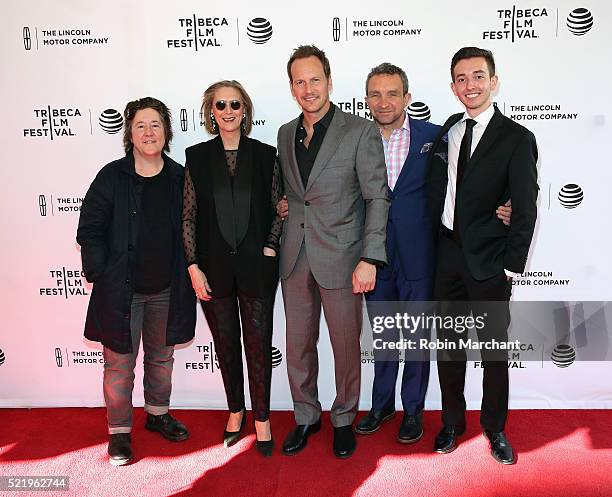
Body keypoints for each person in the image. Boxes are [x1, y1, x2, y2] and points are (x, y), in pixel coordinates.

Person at [355, 63, 513, 444]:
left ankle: (413, 411)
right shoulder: (356, 140)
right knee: (385, 337)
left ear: (407, 98)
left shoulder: (438, 135)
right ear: (366, 101)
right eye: (375, 94)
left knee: (417, 339)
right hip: (374, 255)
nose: (384, 101)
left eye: (393, 93)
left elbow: (472, 173)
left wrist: (504, 203)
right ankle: (381, 404)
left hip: (423, 256)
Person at [277, 45, 389, 459]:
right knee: (298, 345)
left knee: (345, 346)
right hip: (295, 257)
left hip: (344, 257)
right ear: (292, 88)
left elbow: (377, 197)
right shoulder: (285, 133)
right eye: (299, 82)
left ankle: (343, 418)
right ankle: (306, 416)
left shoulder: (359, 131)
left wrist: (370, 257)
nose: (308, 89)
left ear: (329, 81)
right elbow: (293, 194)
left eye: (315, 80)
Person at [427, 47, 538, 464]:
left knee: (493, 352)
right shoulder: (449, 130)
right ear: (453, 86)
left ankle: (496, 429)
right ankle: (452, 423)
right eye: (461, 78)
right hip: (447, 256)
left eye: (478, 76)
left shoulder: (517, 137)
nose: (469, 85)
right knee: (449, 348)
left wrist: (512, 265)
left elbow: (525, 207)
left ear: (494, 81)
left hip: (491, 262)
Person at [77, 97, 196, 467]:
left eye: (156, 125)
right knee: (119, 366)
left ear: (167, 132)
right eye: (141, 125)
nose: (149, 132)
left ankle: (158, 414)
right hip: (121, 291)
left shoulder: (180, 177)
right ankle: (119, 432)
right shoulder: (112, 176)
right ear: (130, 132)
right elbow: (90, 227)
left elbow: (194, 228)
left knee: (161, 359)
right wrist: (101, 271)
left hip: (166, 288)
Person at [182, 80, 280, 457]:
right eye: (219, 104)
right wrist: (193, 265)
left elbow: (278, 207)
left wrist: (270, 247)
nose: (227, 110)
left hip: (258, 267)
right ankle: (236, 411)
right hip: (213, 268)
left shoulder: (265, 154)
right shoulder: (197, 157)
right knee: (226, 345)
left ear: (245, 110)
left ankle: (263, 419)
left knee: (257, 345)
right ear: (210, 110)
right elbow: (188, 217)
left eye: (234, 104)